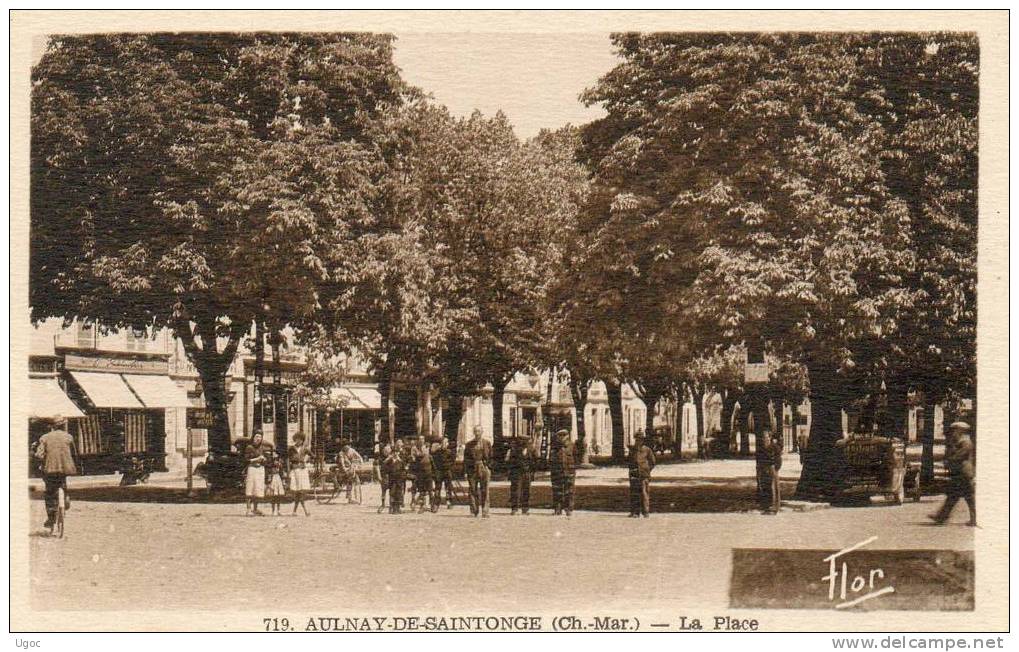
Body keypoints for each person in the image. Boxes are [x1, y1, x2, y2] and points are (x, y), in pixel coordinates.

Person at [34, 418, 77, 530]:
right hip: (67, 468)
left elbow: (39, 455)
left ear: (52, 426)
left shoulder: (45, 437)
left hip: (51, 469)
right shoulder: (69, 437)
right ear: (63, 426)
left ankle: (51, 519)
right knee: (62, 482)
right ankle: (65, 496)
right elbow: (74, 454)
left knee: (50, 493)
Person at [930, 422, 976, 526]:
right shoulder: (959, 442)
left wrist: (948, 460)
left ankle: (942, 517)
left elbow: (959, 456)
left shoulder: (966, 442)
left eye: (955, 430)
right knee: (954, 497)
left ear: (960, 430)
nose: (953, 432)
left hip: (964, 473)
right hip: (960, 473)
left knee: (967, 498)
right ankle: (941, 517)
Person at [462, 426, 493, 518]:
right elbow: (466, 459)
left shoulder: (487, 443)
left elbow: (491, 456)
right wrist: (465, 471)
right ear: (473, 432)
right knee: (472, 490)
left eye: (479, 431)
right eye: (475, 431)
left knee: (485, 489)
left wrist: (488, 467)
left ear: (482, 432)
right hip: (472, 468)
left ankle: (485, 510)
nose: (477, 433)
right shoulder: (469, 445)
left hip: (484, 468)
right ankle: (473, 510)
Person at [505, 435, 536, 515]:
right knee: (515, 491)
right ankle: (514, 508)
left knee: (527, 491)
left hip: (527, 473)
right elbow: (509, 462)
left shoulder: (531, 450)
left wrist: (531, 471)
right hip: (517, 473)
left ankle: (525, 508)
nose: (527, 444)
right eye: (525, 442)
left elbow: (534, 461)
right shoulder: (514, 450)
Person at [628, 432, 656, 518]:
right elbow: (629, 461)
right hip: (634, 474)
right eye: (637, 439)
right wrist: (631, 470)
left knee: (644, 493)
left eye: (640, 440)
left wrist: (647, 470)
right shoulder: (632, 450)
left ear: (642, 440)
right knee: (634, 493)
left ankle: (646, 512)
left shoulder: (647, 450)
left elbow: (653, 462)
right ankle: (635, 512)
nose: (638, 441)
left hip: (644, 474)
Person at [550, 429, 576, 517]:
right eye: (559, 436)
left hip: (569, 471)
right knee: (557, 491)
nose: (561, 438)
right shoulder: (554, 446)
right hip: (557, 472)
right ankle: (558, 509)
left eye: (563, 436)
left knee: (569, 491)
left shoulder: (572, 446)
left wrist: (573, 468)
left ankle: (569, 509)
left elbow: (577, 457)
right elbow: (551, 459)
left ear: (567, 436)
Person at [755, 429, 782, 514]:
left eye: (766, 437)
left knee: (773, 487)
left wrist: (776, 468)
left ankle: (774, 507)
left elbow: (779, 459)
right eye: (763, 437)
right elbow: (758, 459)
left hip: (772, 469)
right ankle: (765, 506)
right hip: (763, 469)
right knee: (764, 487)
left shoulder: (775, 447)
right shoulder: (760, 448)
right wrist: (759, 469)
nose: (764, 439)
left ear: (770, 437)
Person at [287, 432, 311, 516]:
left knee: (300, 491)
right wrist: (288, 471)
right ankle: (304, 510)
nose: (298, 441)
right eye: (297, 439)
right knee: (298, 492)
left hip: (302, 470)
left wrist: (306, 459)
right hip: (295, 470)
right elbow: (288, 460)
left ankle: (296, 511)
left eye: (300, 439)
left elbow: (312, 456)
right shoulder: (291, 449)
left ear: (302, 440)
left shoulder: (305, 449)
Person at [411, 436, 436, 513]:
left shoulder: (427, 448)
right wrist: (422, 453)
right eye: (420, 439)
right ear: (418, 440)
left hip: (428, 472)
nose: (421, 440)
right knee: (422, 491)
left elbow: (431, 459)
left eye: (422, 439)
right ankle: (422, 506)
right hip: (420, 472)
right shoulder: (415, 448)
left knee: (430, 490)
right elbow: (415, 457)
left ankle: (432, 506)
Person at [244, 431, 267, 516]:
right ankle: (248, 509)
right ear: (253, 437)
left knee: (257, 489)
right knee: (250, 489)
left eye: (260, 437)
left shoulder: (262, 448)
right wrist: (257, 459)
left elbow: (265, 458)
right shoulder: (249, 447)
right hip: (252, 469)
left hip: (260, 469)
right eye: (257, 436)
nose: (258, 439)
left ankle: (255, 509)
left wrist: (264, 459)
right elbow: (246, 460)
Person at [383, 440, 409, 514]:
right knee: (392, 493)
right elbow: (384, 466)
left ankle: (397, 508)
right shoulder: (389, 461)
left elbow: (405, 468)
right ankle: (392, 508)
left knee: (398, 493)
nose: (395, 454)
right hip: (392, 479)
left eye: (397, 452)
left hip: (399, 479)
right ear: (392, 453)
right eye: (394, 452)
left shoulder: (400, 461)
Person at [431, 438, 455, 509]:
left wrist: (448, 466)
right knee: (438, 487)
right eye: (443, 443)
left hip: (447, 471)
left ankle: (449, 502)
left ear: (447, 444)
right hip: (439, 471)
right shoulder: (437, 452)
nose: (445, 444)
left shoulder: (449, 452)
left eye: (446, 443)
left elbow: (452, 461)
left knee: (449, 487)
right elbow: (434, 460)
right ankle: (436, 503)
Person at [264, 448, 286, 516]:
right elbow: (267, 469)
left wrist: (283, 480)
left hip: (278, 478)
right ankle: (273, 511)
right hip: (272, 478)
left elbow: (281, 472)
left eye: (276, 453)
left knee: (278, 496)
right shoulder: (269, 462)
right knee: (273, 495)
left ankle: (279, 510)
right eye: (273, 453)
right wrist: (267, 481)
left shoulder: (280, 462)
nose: (274, 455)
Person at [374, 440, 392, 514]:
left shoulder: (392, 459)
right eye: (385, 451)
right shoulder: (380, 459)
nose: (386, 452)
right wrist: (379, 476)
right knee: (383, 491)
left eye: (387, 451)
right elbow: (378, 467)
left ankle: (391, 506)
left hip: (391, 476)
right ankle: (383, 504)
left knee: (391, 492)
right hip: (384, 476)